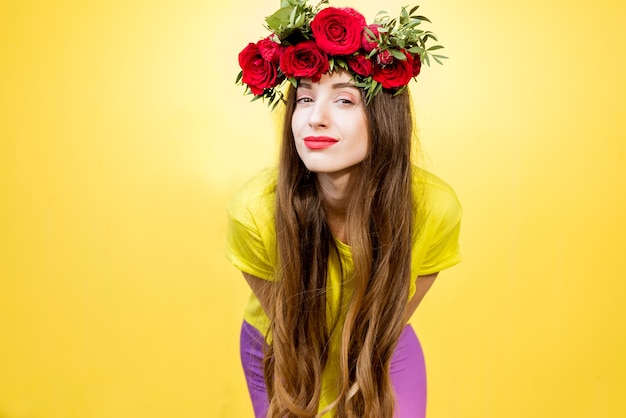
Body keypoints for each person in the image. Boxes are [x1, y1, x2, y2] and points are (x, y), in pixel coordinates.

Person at [226, 1, 462, 417]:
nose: (315, 119)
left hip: (380, 345)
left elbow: (389, 320)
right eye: (303, 99)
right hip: (285, 345)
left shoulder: (435, 210)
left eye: (345, 101)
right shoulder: (253, 213)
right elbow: (293, 333)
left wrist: (363, 380)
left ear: (383, 117)